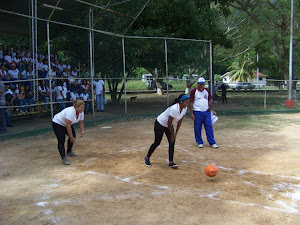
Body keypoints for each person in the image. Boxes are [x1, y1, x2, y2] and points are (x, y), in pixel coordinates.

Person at [144, 94, 190, 169]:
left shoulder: (184, 109)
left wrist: (175, 133)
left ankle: (171, 162)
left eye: (188, 102)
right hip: (160, 123)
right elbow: (169, 123)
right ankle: (147, 157)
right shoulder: (174, 109)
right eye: (186, 102)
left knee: (172, 141)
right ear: (181, 102)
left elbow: (180, 121)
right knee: (157, 142)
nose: (187, 104)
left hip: (168, 125)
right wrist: (172, 134)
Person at [52, 100, 85, 165]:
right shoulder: (70, 112)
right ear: (76, 107)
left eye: (83, 107)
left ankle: (69, 151)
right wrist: (71, 137)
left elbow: (80, 122)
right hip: (58, 123)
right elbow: (68, 126)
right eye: (81, 108)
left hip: (67, 124)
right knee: (61, 140)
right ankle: (63, 157)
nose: (82, 109)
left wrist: (82, 130)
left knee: (73, 136)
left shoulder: (81, 113)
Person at [190, 77, 218, 148]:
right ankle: (199, 142)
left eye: (203, 84)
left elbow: (209, 101)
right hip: (197, 112)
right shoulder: (194, 91)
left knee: (209, 127)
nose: (201, 86)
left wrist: (213, 110)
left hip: (206, 112)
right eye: (200, 84)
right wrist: (191, 113)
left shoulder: (206, 91)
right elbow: (191, 102)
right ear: (197, 84)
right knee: (197, 127)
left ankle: (212, 142)